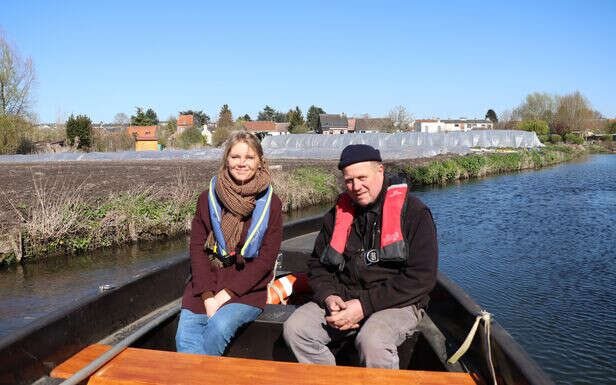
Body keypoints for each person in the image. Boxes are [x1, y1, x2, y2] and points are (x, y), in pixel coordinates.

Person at [283, 144, 438, 369]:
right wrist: (328, 296)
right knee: (296, 329)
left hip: (396, 303)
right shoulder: (335, 216)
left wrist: (364, 306)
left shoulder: (414, 213)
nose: (356, 187)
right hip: (343, 297)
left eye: (362, 177)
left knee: (373, 341)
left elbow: (422, 278)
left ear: (380, 171)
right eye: (348, 180)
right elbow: (317, 266)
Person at [176, 131, 283, 356]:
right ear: (227, 159)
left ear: (260, 162)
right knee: (185, 338)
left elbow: (265, 261)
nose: (241, 163)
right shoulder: (207, 198)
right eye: (235, 157)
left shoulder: (271, 204)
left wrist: (224, 296)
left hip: (246, 289)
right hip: (204, 286)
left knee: (219, 327)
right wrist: (207, 297)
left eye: (249, 157)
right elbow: (197, 250)